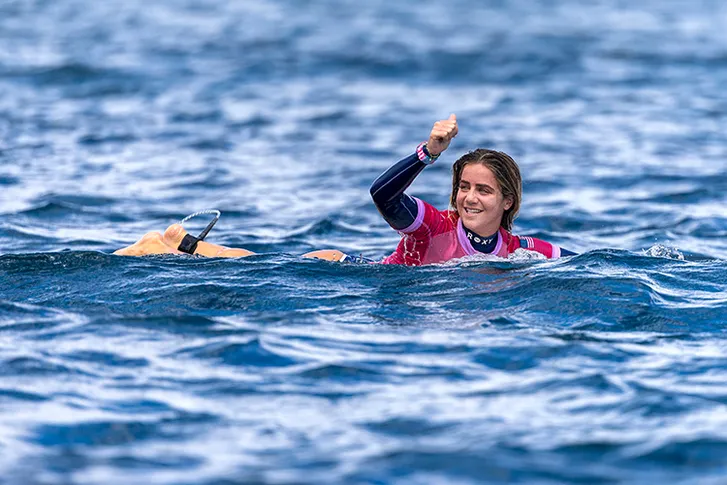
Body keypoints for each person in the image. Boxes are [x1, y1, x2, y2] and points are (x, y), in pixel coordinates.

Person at [370, 114, 575, 265]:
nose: (470, 198)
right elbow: (383, 196)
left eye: (483, 190)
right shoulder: (434, 227)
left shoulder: (518, 251)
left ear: (508, 201)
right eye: (464, 187)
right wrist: (428, 153)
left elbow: (586, 265)